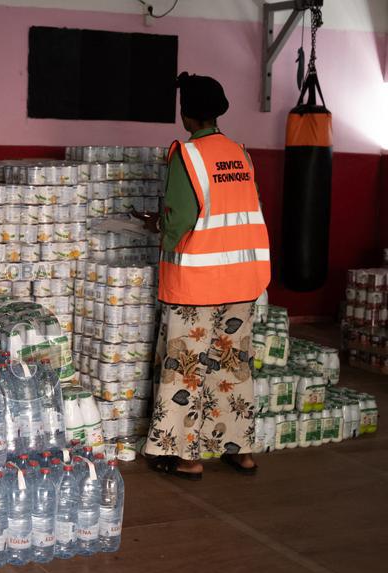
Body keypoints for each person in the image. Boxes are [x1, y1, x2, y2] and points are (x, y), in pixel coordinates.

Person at [135, 72, 270, 480]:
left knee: (185, 368)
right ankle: (239, 450)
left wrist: (159, 226)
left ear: (187, 113)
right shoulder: (241, 153)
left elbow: (179, 220)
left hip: (198, 284)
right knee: (233, 367)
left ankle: (184, 456)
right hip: (242, 280)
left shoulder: (187, 155)